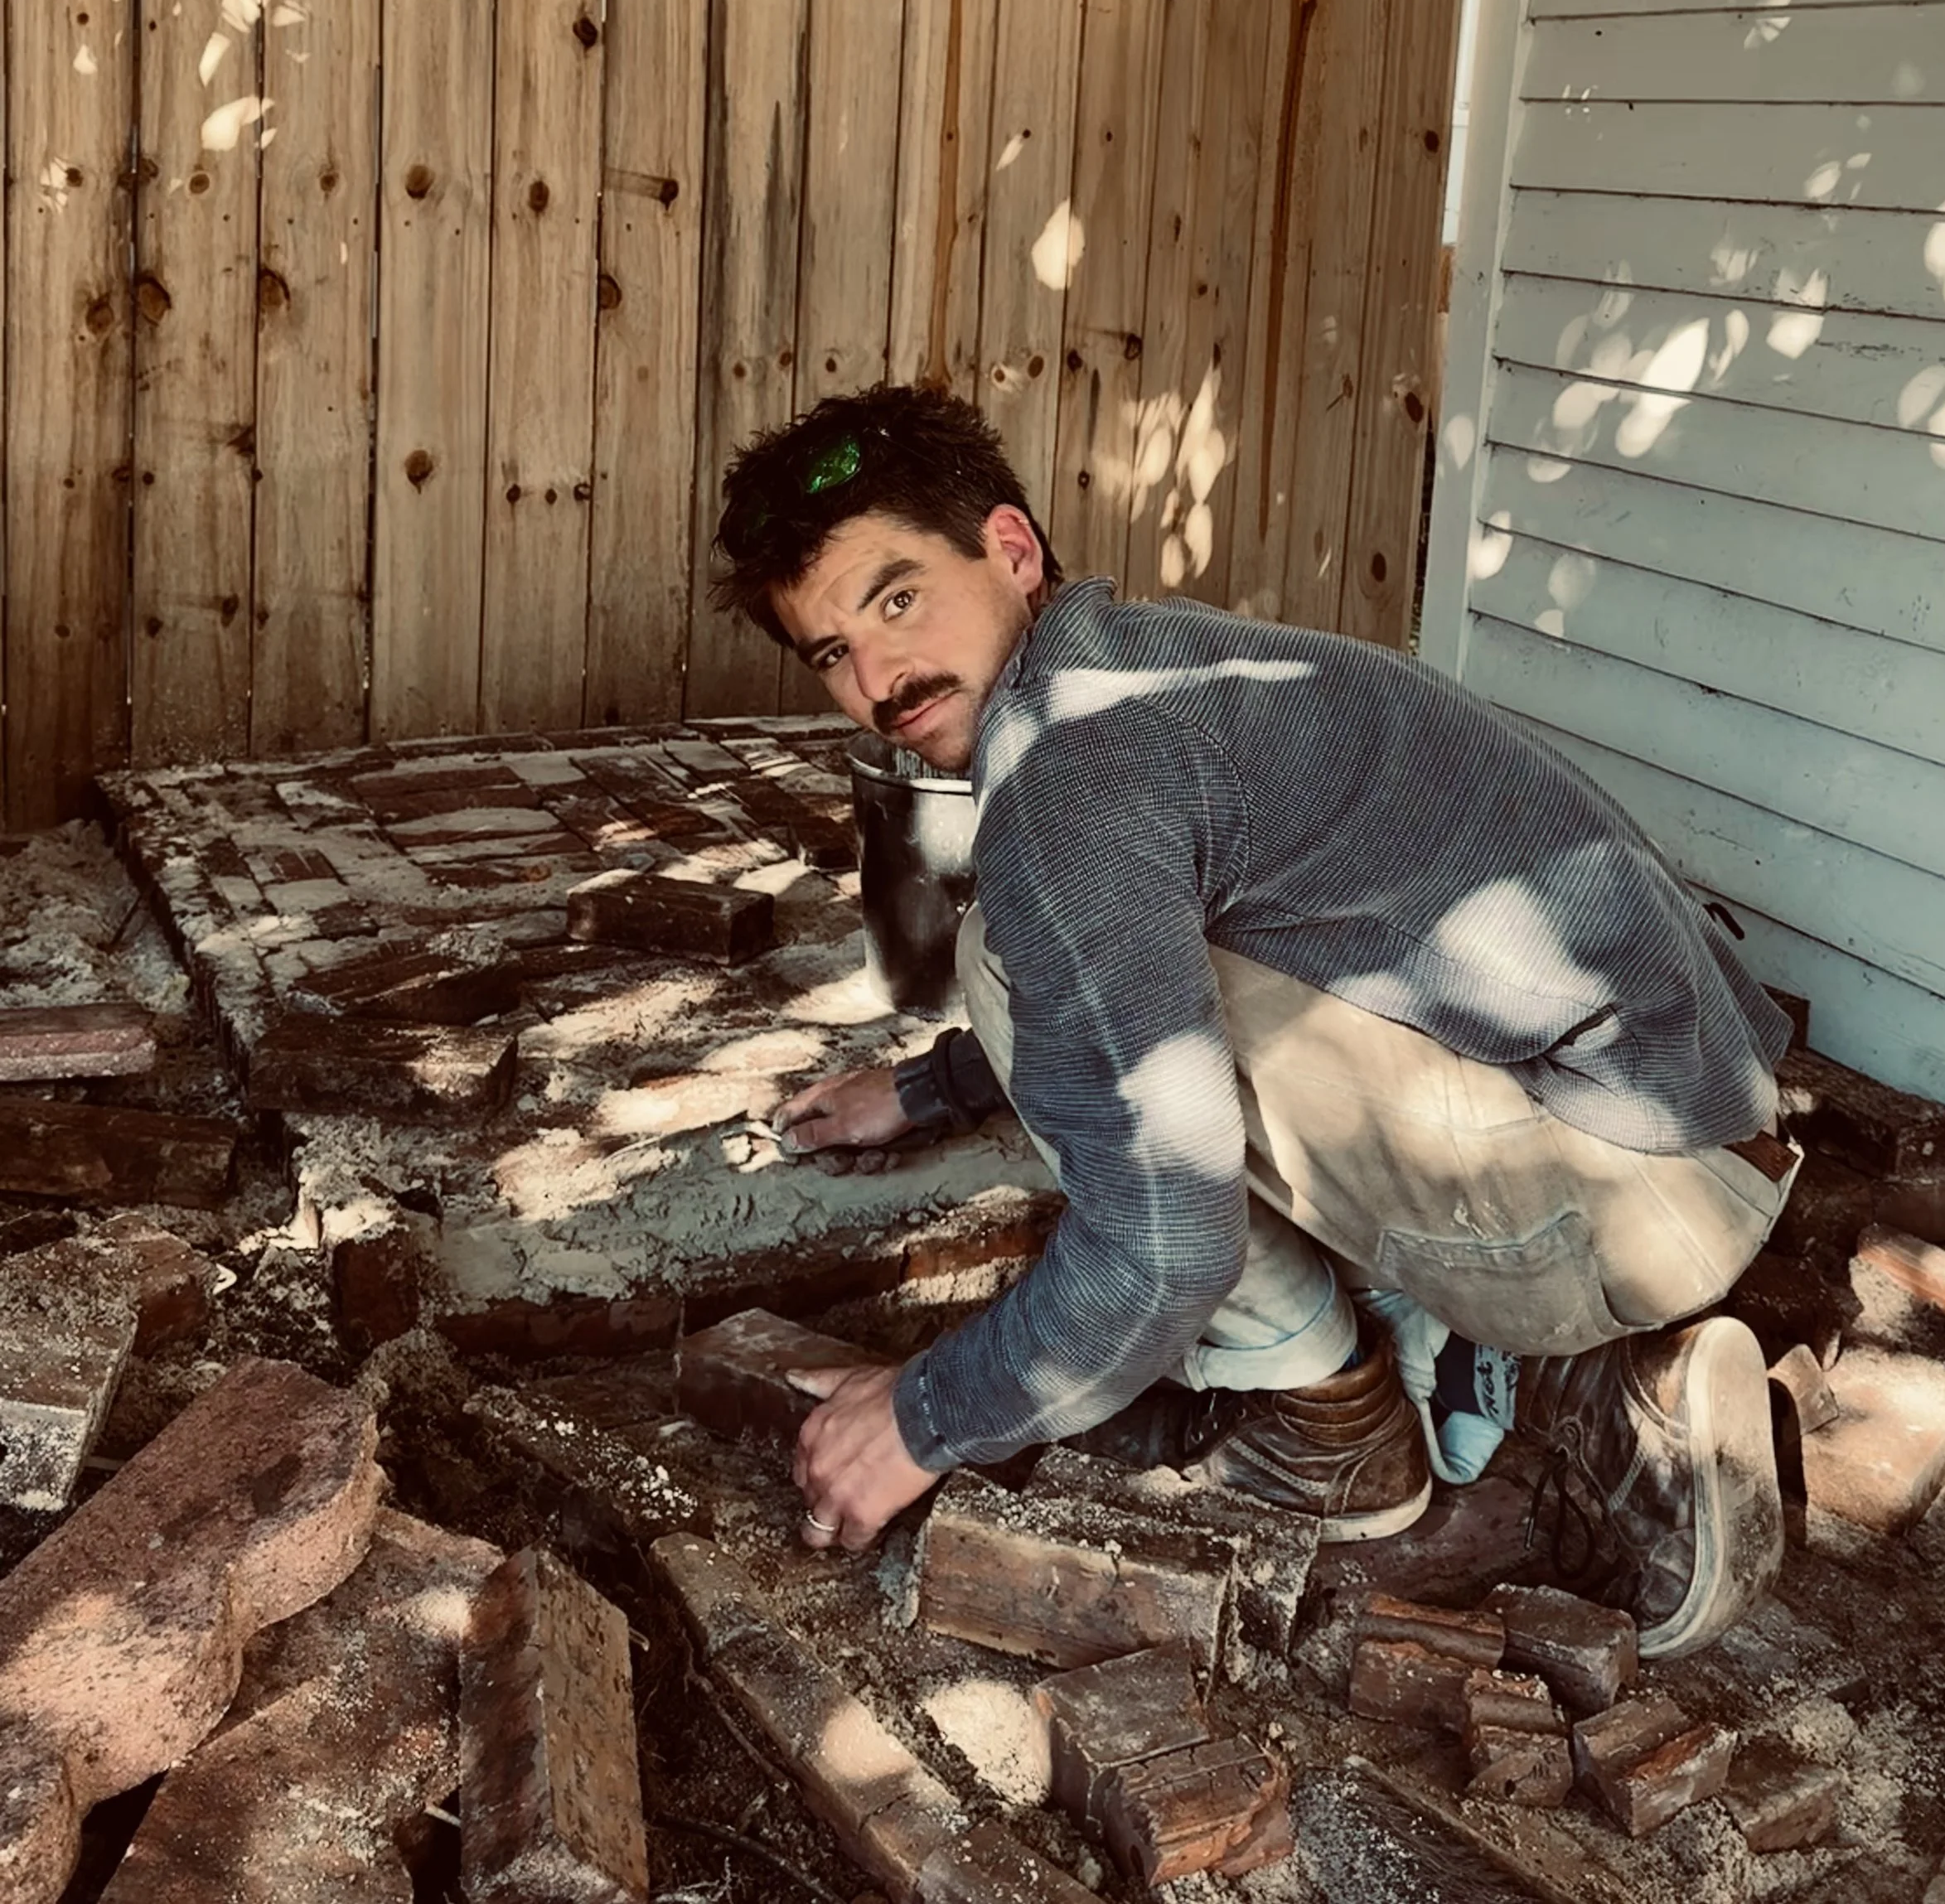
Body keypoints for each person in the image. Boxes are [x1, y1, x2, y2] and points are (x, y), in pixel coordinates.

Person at [714, 384, 1798, 1658]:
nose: (879, 676)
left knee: (1010, 949)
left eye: (897, 599)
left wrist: (921, 1415)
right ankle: (1590, 1385)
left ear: (1010, 551)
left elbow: (1163, 1243)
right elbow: (1157, 965)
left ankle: (1326, 1420)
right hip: (1686, 1127)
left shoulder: (1073, 773)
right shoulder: (1133, 664)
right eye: (833, 649)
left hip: (1612, 1204)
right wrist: (940, 1086)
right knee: (1071, 979)